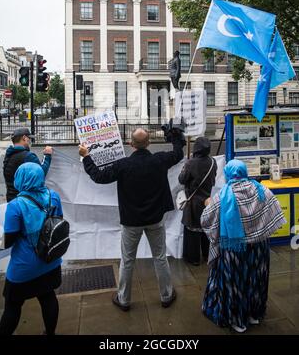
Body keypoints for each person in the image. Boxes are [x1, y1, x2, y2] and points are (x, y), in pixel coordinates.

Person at [79, 127, 185, 311]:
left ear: (131, 144)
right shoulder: (159, 160)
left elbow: (98, 176)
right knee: (160, 257)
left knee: (127, 260)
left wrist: (87, 156)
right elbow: (178, 153)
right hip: (155, 219)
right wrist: (174, 135)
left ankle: (124, 299)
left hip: (131, 222)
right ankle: (166, 296)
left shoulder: (123, 165)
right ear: (149, 143)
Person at [201, 159, 286, 333]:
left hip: (234, 249)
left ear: (228, 174)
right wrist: (258, 229)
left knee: (235, 283)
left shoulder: (223, 195)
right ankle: (254, 314)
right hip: (259, 248)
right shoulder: (261, 190)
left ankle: (237, 320)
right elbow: (275, 211)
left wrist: (207, 204)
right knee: (256, 280)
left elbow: (206, 219)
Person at [0, 163, 63, 335]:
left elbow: (8, 241)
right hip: (50, 260)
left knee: (12, 306)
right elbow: (58, 222)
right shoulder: (54, 196)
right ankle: (50, 333)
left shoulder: (16, 205)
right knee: (48, 297)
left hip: (24, 267)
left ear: (20, 179)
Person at [178, 137, 217, 265]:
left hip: (193, 201)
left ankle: (193, 258)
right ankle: (207, 255)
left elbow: (182, 179)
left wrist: (186, 165)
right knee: (205, 229)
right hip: (207, 200)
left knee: (192, 231)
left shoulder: (190, 163)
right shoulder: (213, 162)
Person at [3, 127, 52, 202]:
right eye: (29, 138)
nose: (30, 141)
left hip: (11, 199)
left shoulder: (8, 155)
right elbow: (41, 173)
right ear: (24, 138)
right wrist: (47, 156)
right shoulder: (28, 156)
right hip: (26, 201)